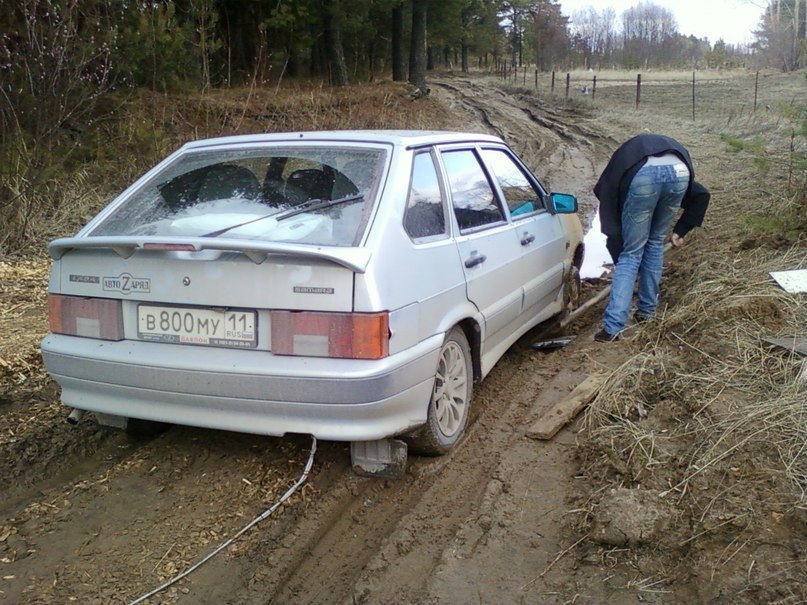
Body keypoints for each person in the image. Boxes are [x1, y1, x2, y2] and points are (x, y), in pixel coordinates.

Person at [592, 134, 710, 342]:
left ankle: (612, 328)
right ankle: (647, 313)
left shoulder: (622, 162)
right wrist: (681, 230)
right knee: (654, 243)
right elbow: (702, 194)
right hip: (680, 172)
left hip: (643, 177)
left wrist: (617, 245)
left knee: (630, 254)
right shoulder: (655, 149)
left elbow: (608, 200)